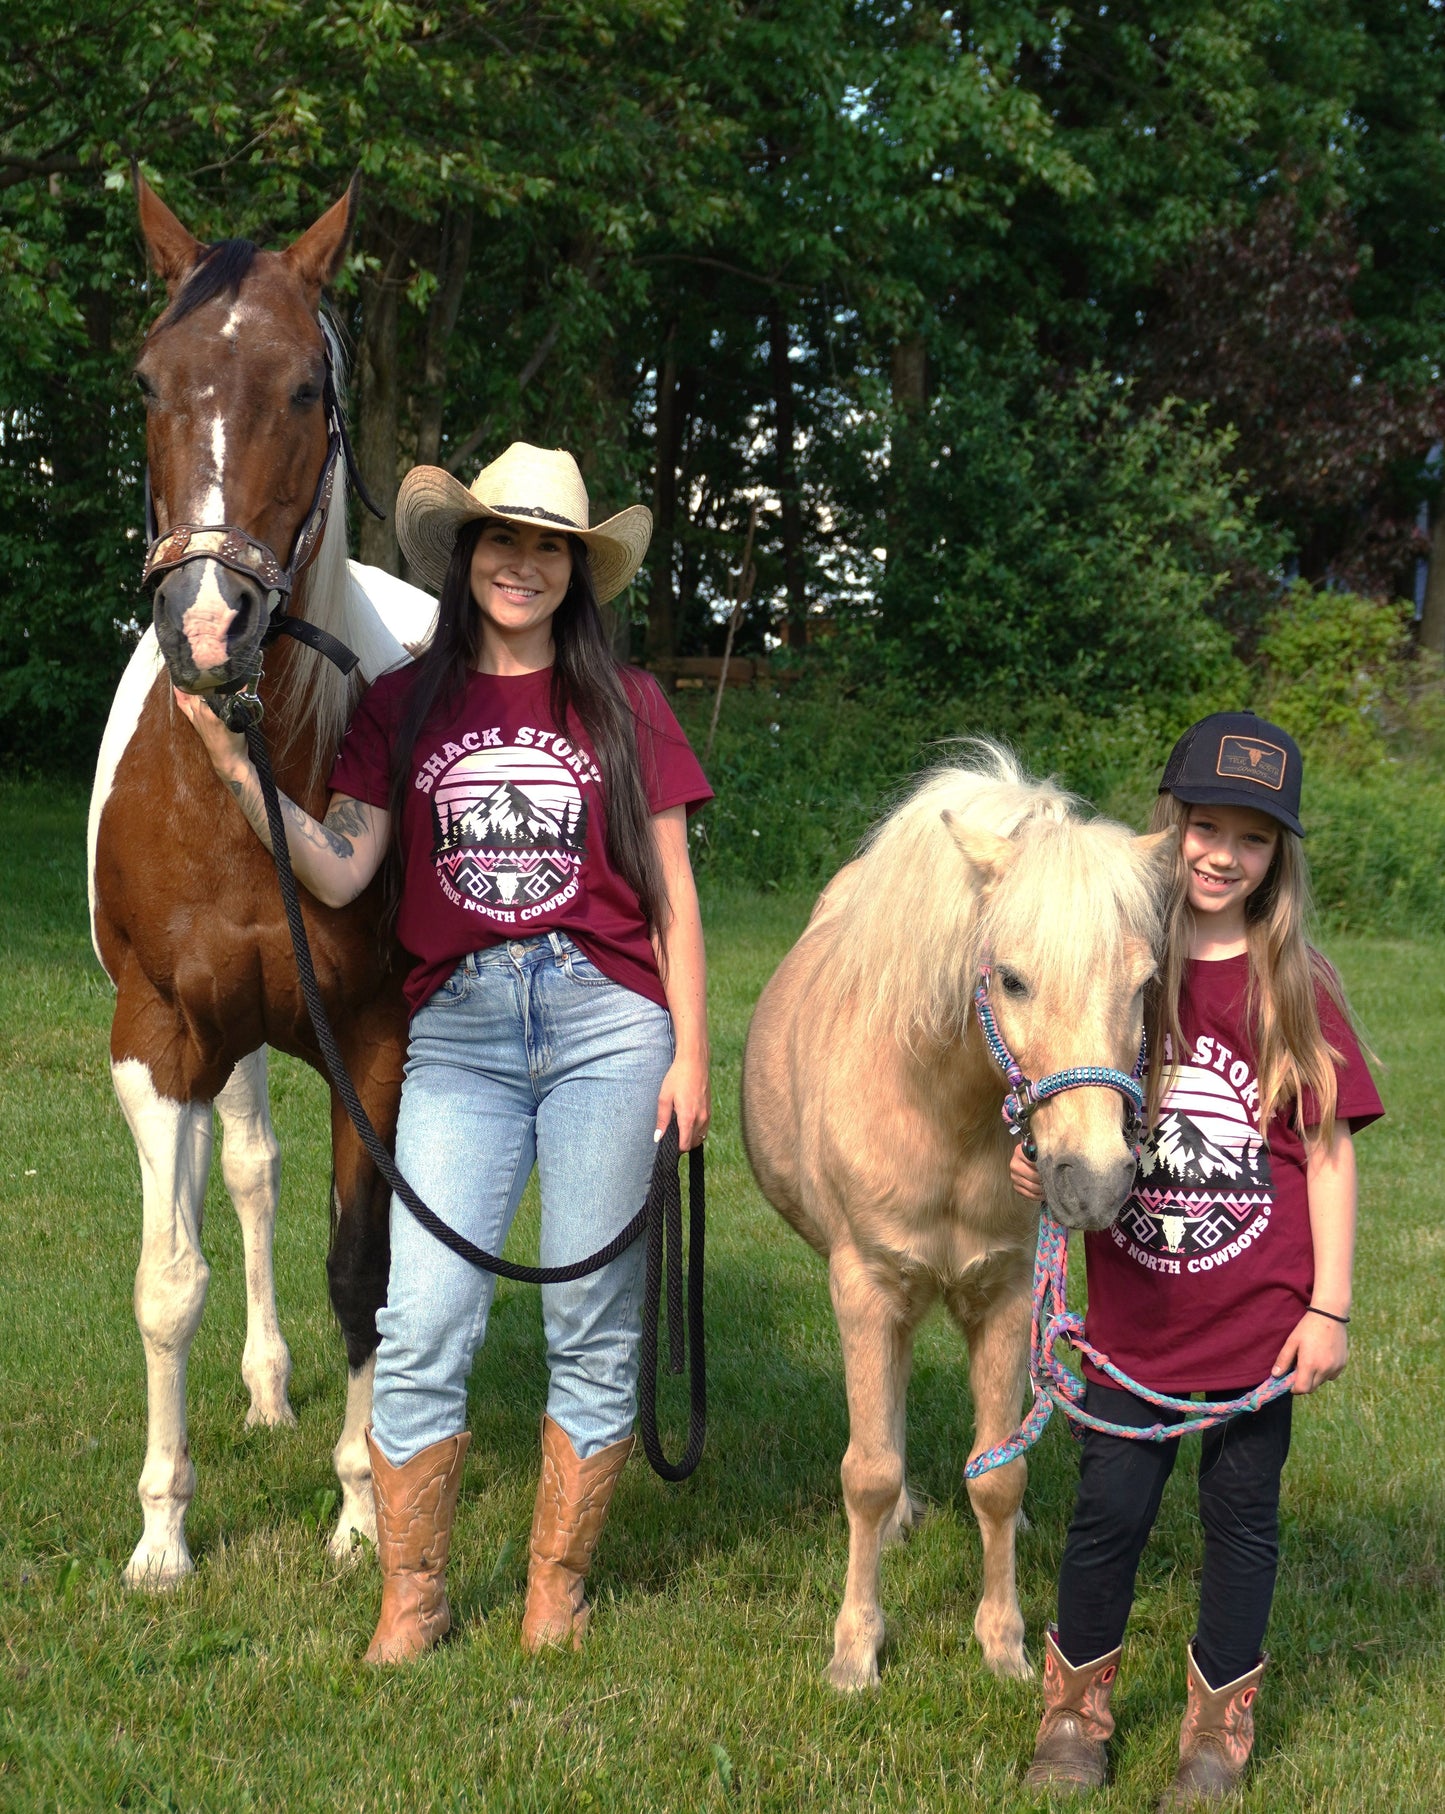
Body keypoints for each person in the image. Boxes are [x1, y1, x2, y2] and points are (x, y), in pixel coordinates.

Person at [174, 442, 712, 1665]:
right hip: (460, 1028)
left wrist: (691, 1054)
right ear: (466, 555)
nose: (520, 564)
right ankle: (413, 1597)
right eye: (500, 540)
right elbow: (343, 862)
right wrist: (238, 768)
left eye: (547, 547)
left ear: (577, 571)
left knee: (588, 1309)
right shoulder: (403, 703)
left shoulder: (627, 708)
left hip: (604, 1021)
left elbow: (675, 898)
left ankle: (555, 1587)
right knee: (422, 1317)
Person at [1014, 713, 1382, 1806]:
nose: (1221, 855)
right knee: (1107, 1515)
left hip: (1255, 1325)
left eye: (1252, 839)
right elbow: (1056, 1079)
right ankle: (1072, 1713)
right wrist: (1036, 1167)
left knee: (1241, 1520)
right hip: (1133, 1332)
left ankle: (1215, 1733)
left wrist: (1331, 1307)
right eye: (1204, 826)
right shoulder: (1121, 967)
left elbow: (1325, 1156)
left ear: (1279, 857)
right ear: (1168, 825)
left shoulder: (1289, 981)